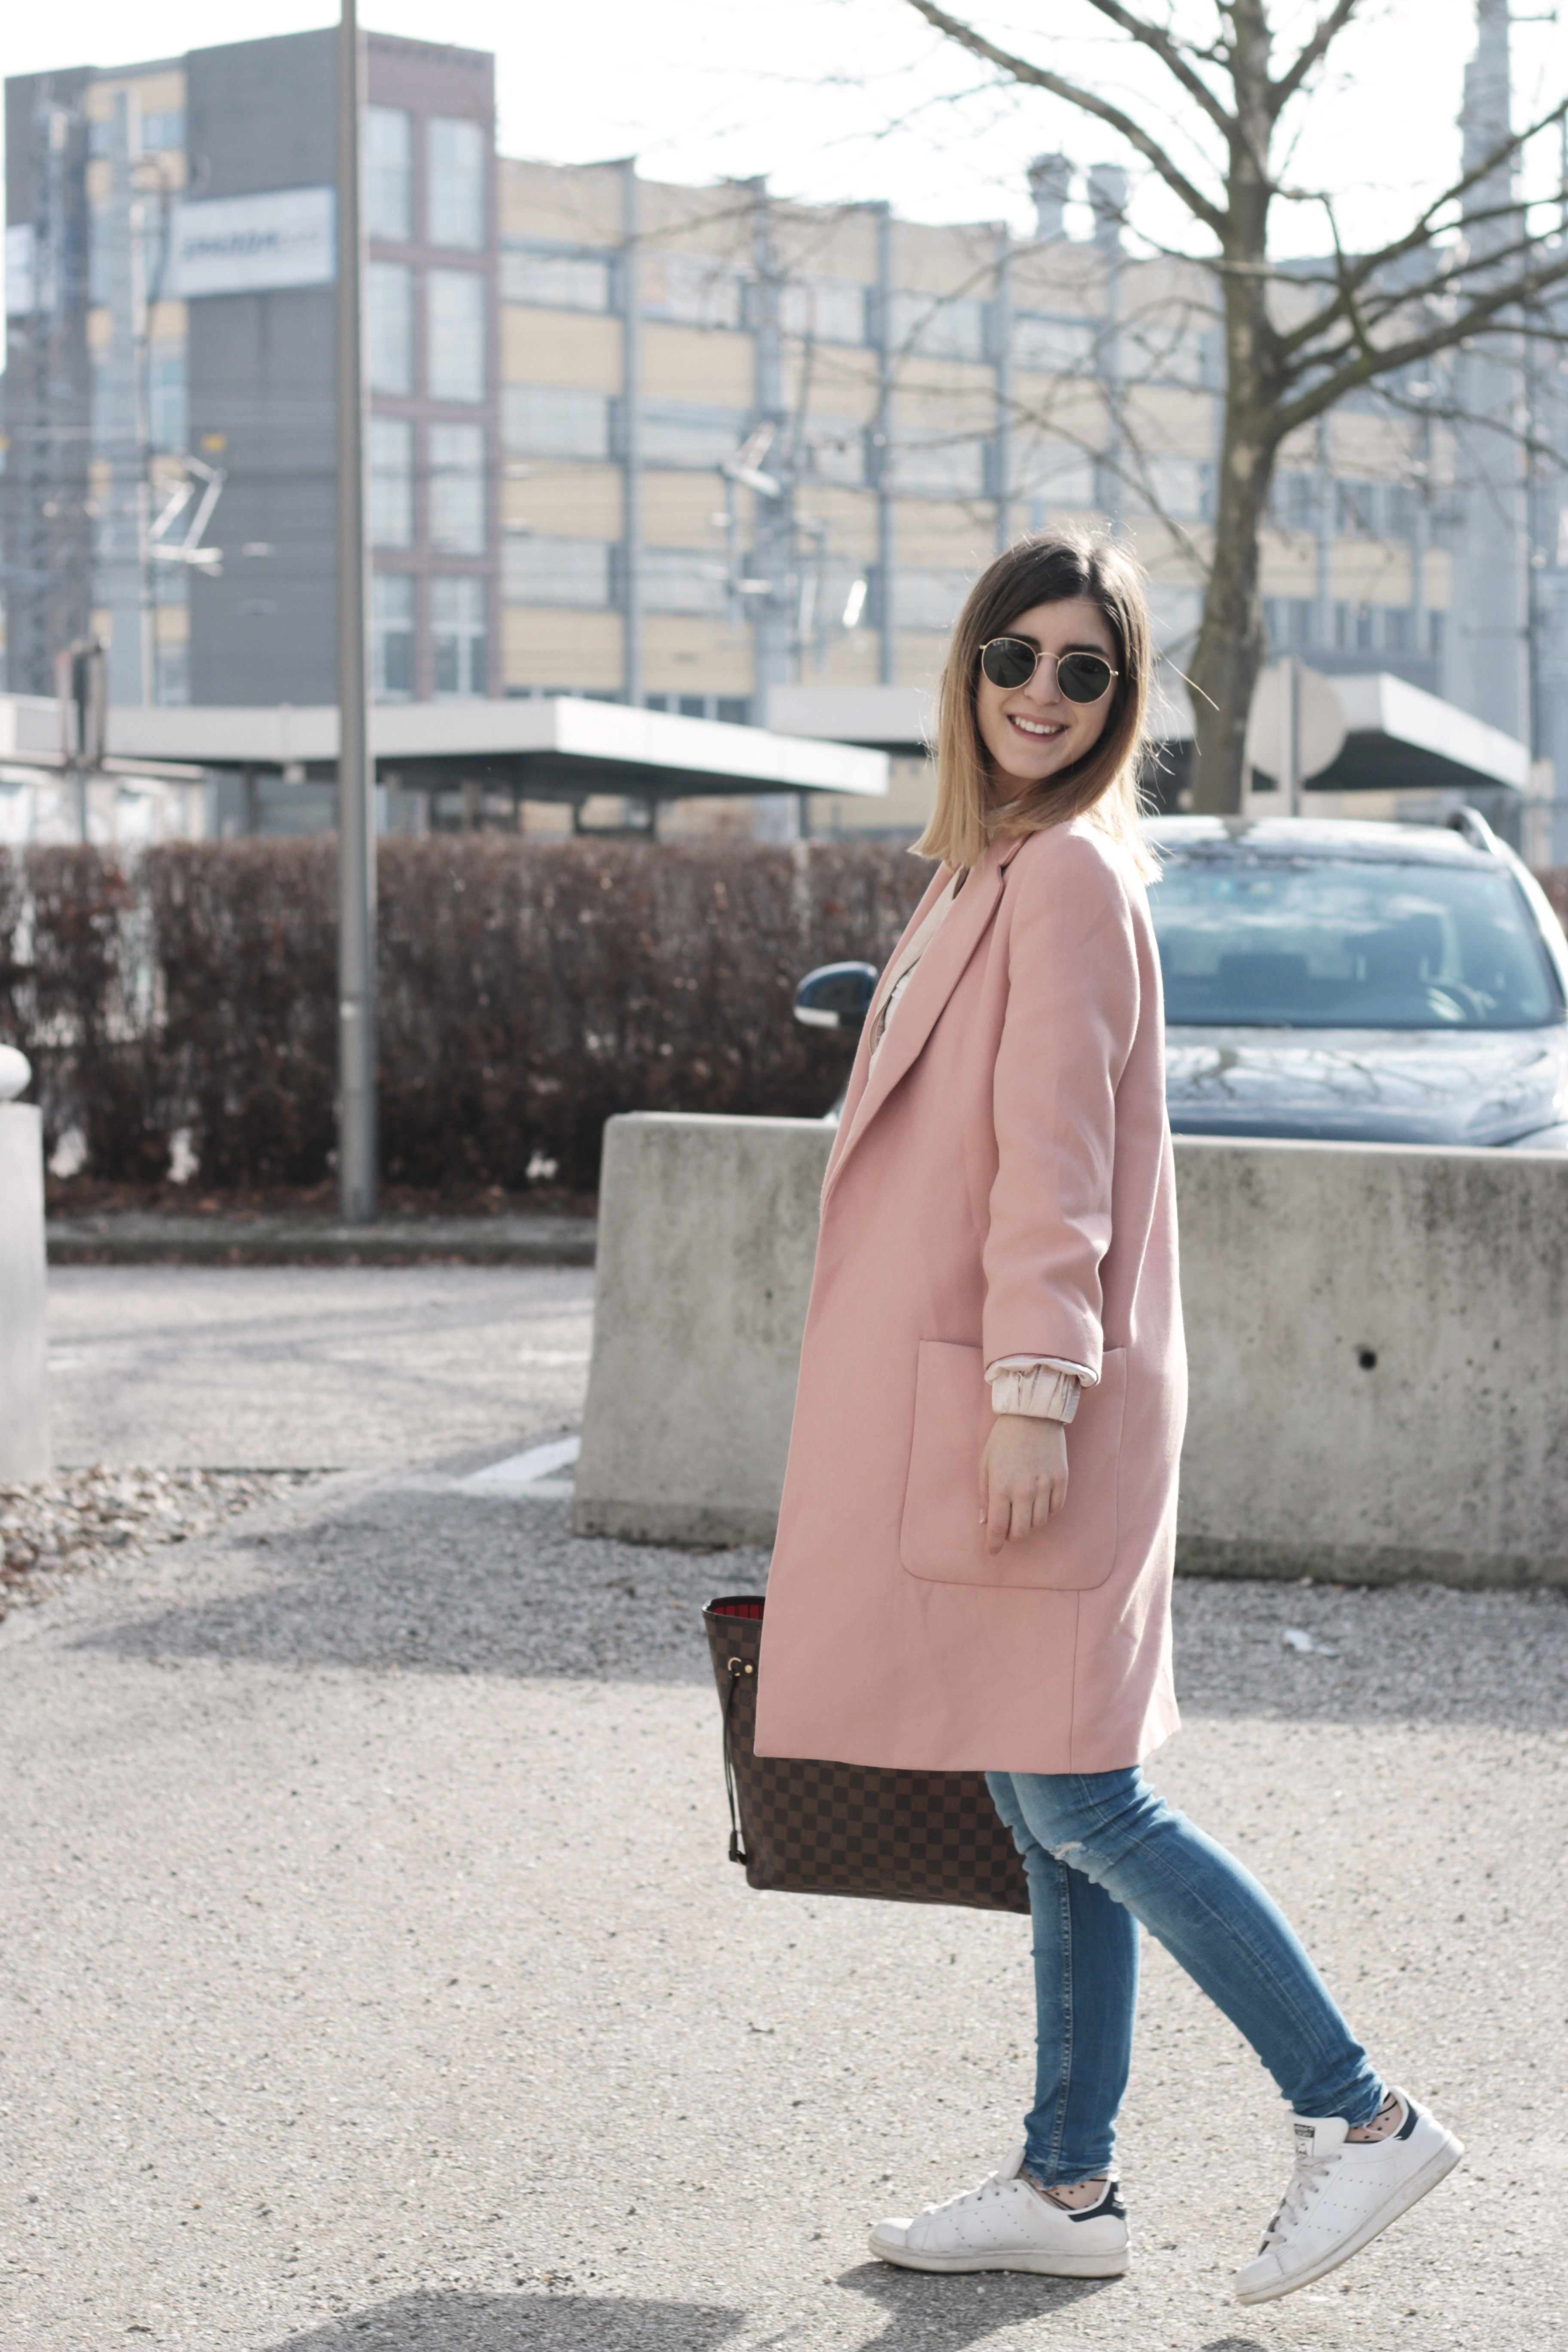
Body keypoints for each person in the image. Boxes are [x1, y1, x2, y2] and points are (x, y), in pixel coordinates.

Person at [752, 530, 1461, 2305]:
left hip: (1028, 1399)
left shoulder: (1065, 877)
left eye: (1086, 669)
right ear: (969, 666)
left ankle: (1360, 2115)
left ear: (1124, 698)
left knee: (1083, 1797)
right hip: (992, 1394)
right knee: (1044, 1789)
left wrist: (1032, 1389)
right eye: (1016, 655)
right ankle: (1068, 2186)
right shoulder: (986, 865)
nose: (1043, 692)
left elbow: (1056, 1161)